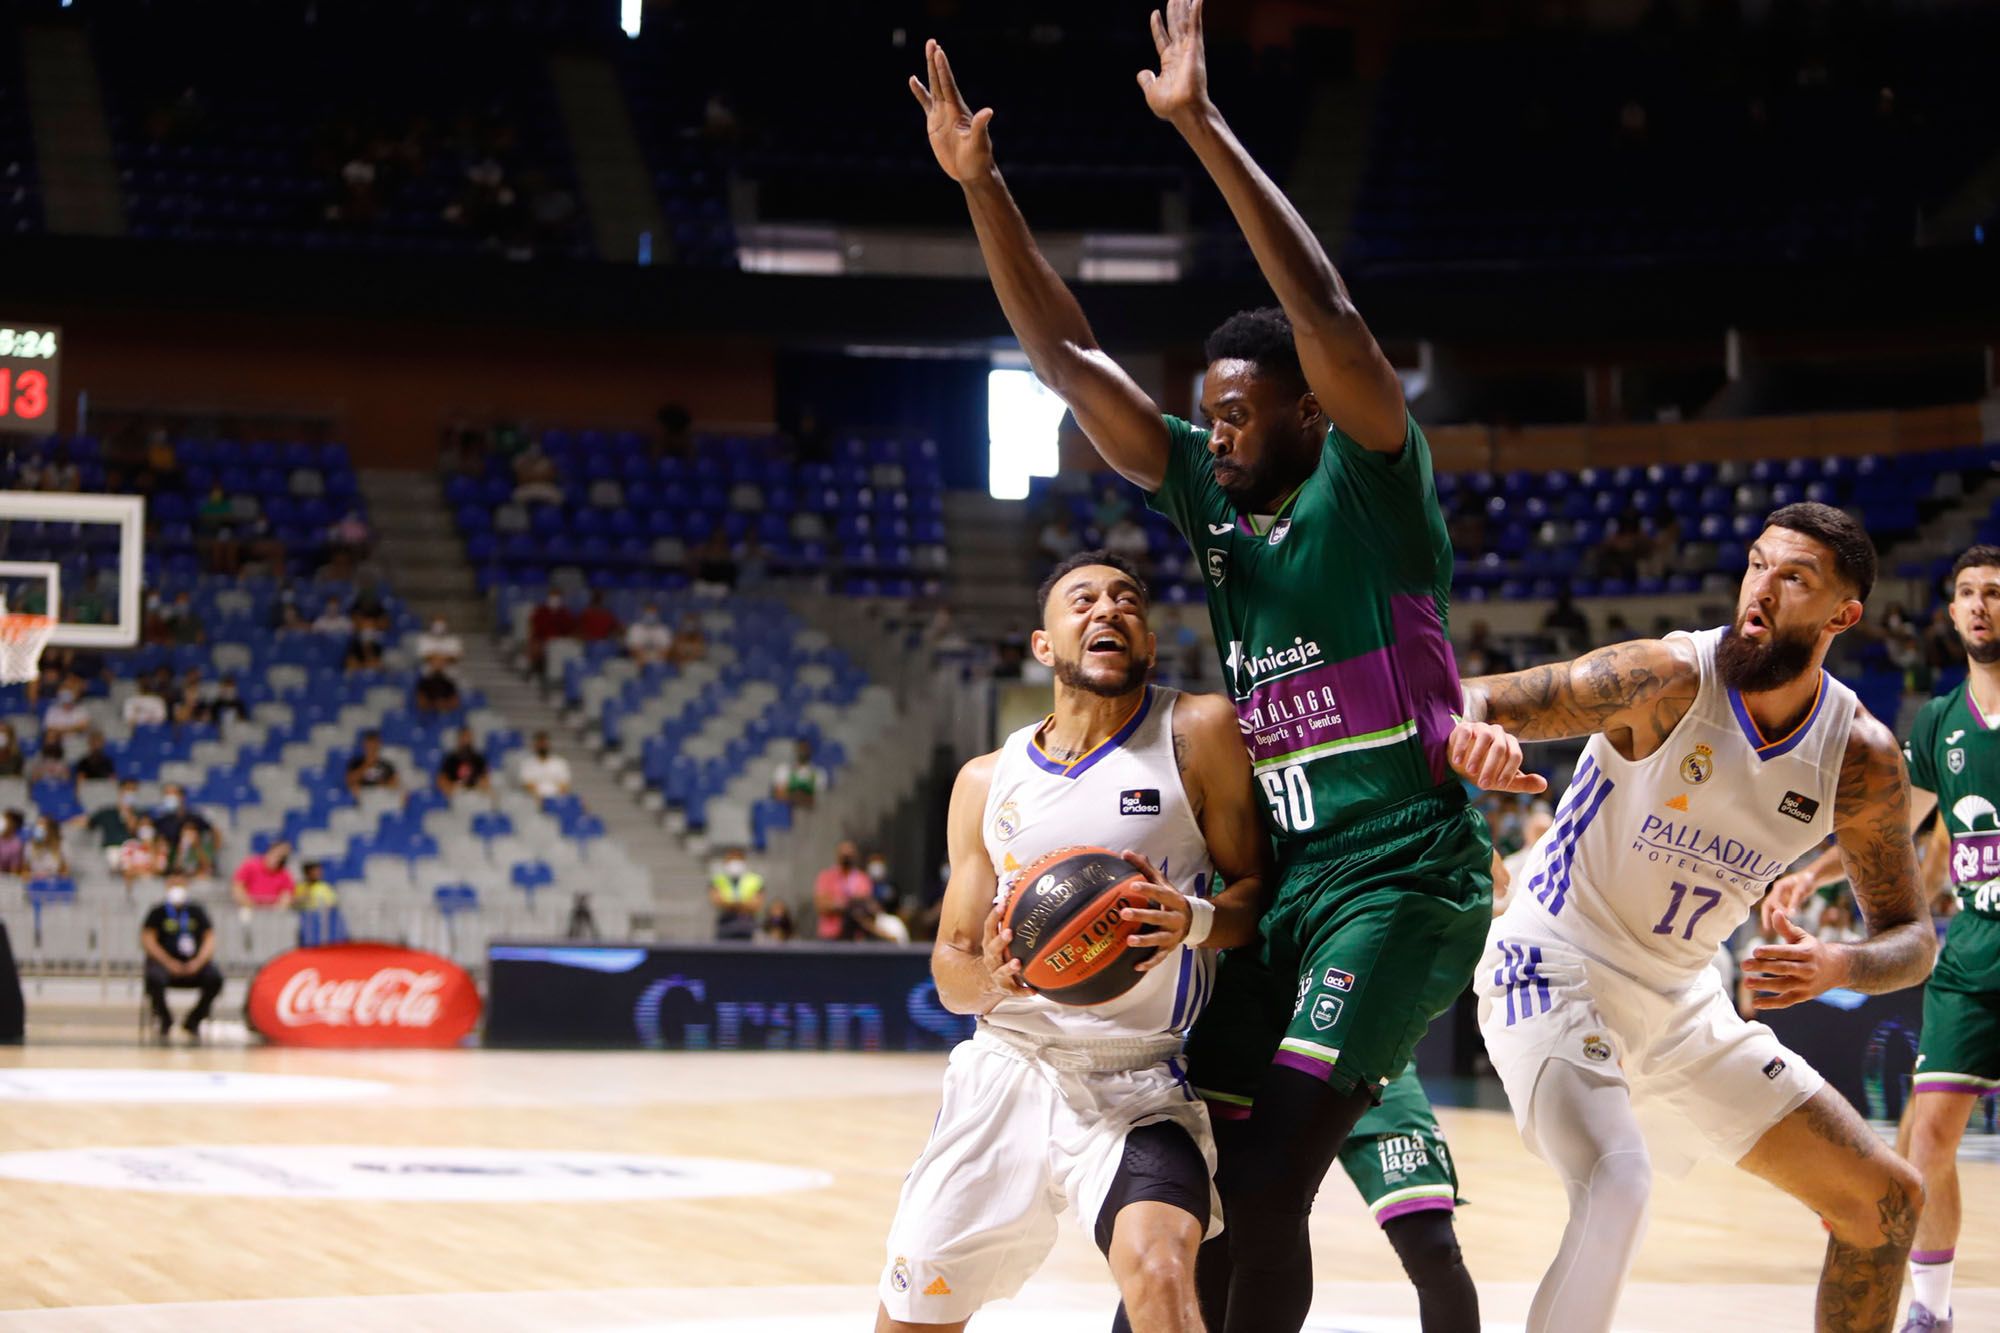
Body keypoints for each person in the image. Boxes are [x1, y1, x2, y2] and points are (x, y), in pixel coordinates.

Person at [912, 20, 1525, 1329]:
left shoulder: (1373, 494)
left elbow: (1332, 317)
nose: (1215, 427)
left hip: (1401, 873)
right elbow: (1069, 362)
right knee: (1220, 1192)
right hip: (1290, 892)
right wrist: (982, 187)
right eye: (1210, 409)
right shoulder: (1208, 500)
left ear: (1310, 409)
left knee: (1270, 1162)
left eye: (1240, 409)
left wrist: (1202, 128)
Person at [1454, 503, 1932, 1332]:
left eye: (1795, 578)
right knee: (1617, 1179)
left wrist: (1839, 964)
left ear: (1843, 614)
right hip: (1553, 958)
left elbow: (1914, 936)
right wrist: (1474, 736)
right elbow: (1479, 697)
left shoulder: (1860, 753)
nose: (1762, 588)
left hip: (1684, 999)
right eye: (1756, 563)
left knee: (1886, 1200)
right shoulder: (1668, 677)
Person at [876, 552, 1271, 1332]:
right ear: (1043, 645)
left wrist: (1192, 920)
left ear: (1149, 643)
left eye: (1127, 600)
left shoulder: (1196, 730)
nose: (1107, 609)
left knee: (1161, 1271)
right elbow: (952, 970)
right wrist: (994, 975)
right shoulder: (987, 780)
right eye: (1082, 599)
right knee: (912, 1319)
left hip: (1139, 1075)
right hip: (1008, 1068)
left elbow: (1257, 892)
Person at [1769, 544, 2000, 1333]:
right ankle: (1932, 1314)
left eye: (1994, 593)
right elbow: (1893, 824)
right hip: (1973, 950)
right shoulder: (1940, 721)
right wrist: (1819, 873)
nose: (1979, 606)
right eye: (1967, 592)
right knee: (1926, 1135)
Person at [142, 879, 223, 1041]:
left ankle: (193, 1020)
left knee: (215, 978)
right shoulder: (158, 912)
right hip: (165, 964)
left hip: (194, 964)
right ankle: (165, 1019)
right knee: (153, 978)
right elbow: (148, 940)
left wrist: (197, 962)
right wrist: (169, 962)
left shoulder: (196, 911)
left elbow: (209, 939)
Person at [813, 841, 872, 942]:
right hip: (829, 936)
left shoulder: (862, 879)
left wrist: (836, 903)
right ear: (837, 855)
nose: (846, 858)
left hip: (855, 937)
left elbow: (864, 906)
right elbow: (821, 906)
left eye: (849, 855)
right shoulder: (826, 877)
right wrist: (850, 903)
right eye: (844, 855)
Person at [709, 849, 763, 942]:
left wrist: (730, 904)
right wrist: (743, 904)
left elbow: (755, 905)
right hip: (725, 923)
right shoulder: (718, 879)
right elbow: (717, 901)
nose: (734, 864)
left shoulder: (755, 880)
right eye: (731, 860)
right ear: (725, 862)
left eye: (738, 860)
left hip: (747, 924)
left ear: (744, 862)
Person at [232, 841, 296, 909]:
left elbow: (286, 897)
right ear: (271, 850)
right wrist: (251, 906)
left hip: (272, 914)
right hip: (248, 910)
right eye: (277, 854)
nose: (278, 858)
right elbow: (237, 888)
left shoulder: (285, 874)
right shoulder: (250, 864)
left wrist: (274, 911)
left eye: (283, 856)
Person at [772, 739, 828, 810]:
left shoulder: (819, 773)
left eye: (805, 749)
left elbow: (818, 801)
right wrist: (804, 797)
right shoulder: (783, 770)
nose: (802, 752)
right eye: (800, 749)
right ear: (795, 751)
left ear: (810, 751)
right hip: (787, 812)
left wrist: (792, 795)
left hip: (812, 814)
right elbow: (779, 795)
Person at [528, 591, 576, 672]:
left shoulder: (564, 612)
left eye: (556, 597)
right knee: (536, 647)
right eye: (552, 597)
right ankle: (537, 671)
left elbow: (569, 629)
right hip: (543, 641)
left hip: (559, 642)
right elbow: (535, 628)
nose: (554, 600)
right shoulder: (541, 611)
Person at [436, 728, 491, 796]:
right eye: (464, 737)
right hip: (456, 793)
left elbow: (485, 778)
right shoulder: (450, 759)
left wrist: (479, 789)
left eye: (468, 737)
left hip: (475, 793)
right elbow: (442, 779)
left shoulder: (478, 758)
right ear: (459, 739)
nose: (466, 740)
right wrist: (452, 790)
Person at [519, 732, 572, 801]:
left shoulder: (560, 763)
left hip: (556, 800)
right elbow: (527, 785)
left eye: (544, 743)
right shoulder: (527, 764)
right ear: (535, 745)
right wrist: (540, 799)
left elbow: (564, 785)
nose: (542, 745)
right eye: (540, 743)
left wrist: (552, 801)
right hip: (533, 800)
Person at [344, 731, 400, 797]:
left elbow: (395, 784)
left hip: (381, 796)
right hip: (362, 797)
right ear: (364, 745)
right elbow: (349, 780)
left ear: (379, 745)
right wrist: (367, 765)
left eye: (374, 745)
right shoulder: (356, 763)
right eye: (369, 745)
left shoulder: (387, 765)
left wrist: (381, 785)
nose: (372, 748)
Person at [25, 816, 67, 880]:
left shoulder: (62, 846)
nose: (39, 829)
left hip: (54, 883)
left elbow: (65, 872)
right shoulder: (29, 845)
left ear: (51, 829)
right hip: (34, 883)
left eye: (42, 827)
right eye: (37, 827)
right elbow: (25, 871)